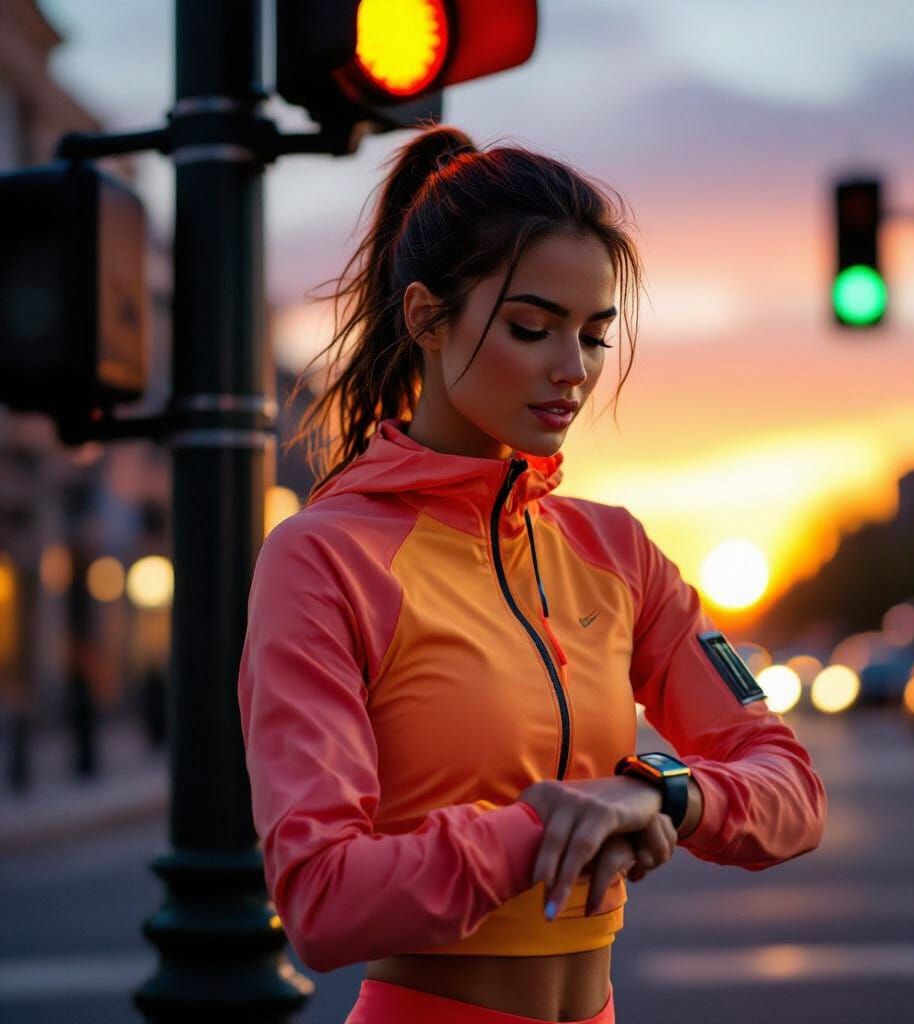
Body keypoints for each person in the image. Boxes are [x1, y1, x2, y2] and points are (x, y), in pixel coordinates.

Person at [236, 123, 828, 1024]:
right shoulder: (325, 557)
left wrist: (661, 792)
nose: (573, 371)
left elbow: (790, 786)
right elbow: (321, 896)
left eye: (594, 336)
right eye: (531, 327)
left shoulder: (616, 552)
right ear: (427, 318)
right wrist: (550, 825)